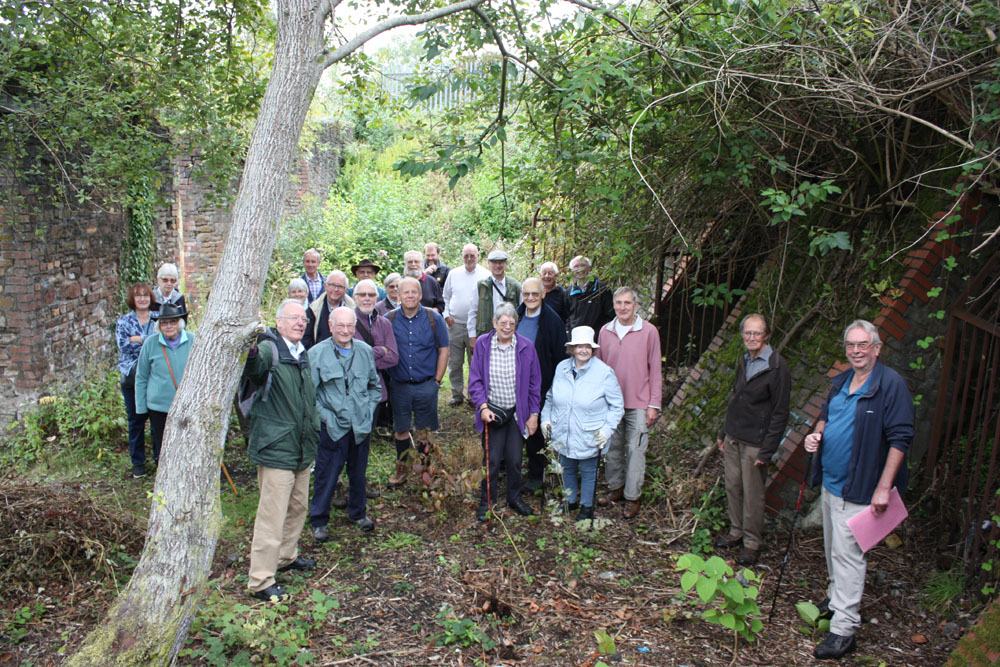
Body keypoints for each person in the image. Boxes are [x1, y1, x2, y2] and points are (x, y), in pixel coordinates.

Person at [803, 319, 913, 660]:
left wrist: (884, 487)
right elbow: (826, 416)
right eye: (851, 345)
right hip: (833, 483)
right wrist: (816, 435)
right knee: (833, 548)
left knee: (849, 557)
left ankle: (844, 630)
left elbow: (900, 439)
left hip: (864, 488)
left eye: (863, 344)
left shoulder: (891, 386)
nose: (856, 351)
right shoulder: (841, 382)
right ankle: (836, 599)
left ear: (877, 348)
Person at [243, 299, 319, 602]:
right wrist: (249, 347)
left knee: (298, 506)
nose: (301, 323)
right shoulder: (269, 348)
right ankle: (261, 579)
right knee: (272, 515)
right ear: (279, 321)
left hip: (301, 447)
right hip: (276, 447)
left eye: (304, 319)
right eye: (294, 318)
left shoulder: (301, 354)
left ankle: (286, 557)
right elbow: (254, 365)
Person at [714, 313, 791, 566]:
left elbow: (780, 413)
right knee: (732, 486)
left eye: (757, 333)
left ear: (766, 335)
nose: (751, 337)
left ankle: (751, 542)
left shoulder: (777, 366)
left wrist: (767, 450)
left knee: (753, 493)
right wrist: (724, 431)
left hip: (756, 442)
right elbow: (736, 397)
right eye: (747, 333)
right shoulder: (744, 360)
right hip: (735, 435)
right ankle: (736, 532)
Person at [309, 307, 382, 538]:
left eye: (349, 325)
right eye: (340, 325)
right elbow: (310, 395)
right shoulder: (317, 353)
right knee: (326, 474)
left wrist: (368, 412)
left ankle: (358, 513)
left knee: (358, 474)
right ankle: (319, 519)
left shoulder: (365, 351)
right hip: (332, 426)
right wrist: (326, 417)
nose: (345, 330)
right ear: (331, 326)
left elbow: (374, 386)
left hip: (360, 426)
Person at [541, 326, 624, 520]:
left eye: (588, 346)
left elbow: (617, 406)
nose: (583, 350)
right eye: (579, 346)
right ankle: (570, 501)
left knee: (588, 471)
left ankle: (587, 508)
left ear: (593, 349)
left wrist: (606, 430)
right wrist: (546, 420)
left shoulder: (604, 373)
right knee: (567, 466)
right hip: (564, 430)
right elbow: (551, 398)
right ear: (572, 349)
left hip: (590, 433)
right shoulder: (561, 368)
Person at [468, 302, 541, 521]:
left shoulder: (526, 346)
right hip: (493, 412)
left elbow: (534, 384)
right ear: (494, 323)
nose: (507, 327)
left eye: (511, 323)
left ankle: (514, 498)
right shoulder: (482, 344)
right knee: (491, 460)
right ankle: (487, 501)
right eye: (503, 323)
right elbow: (475, 381)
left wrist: (534, 414)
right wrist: (482, 407)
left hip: (518, 413)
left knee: (515, 459)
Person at [596, 287, 662, 519]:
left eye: (627, 303)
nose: (622, 307)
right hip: (611, 404)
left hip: (639, 403)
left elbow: (655, 369)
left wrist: (653, 404)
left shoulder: (649, 332)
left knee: (635, 450)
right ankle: (615, 488)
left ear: (636, 305)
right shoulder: (605, 331)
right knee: (612, 448)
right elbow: (598, 369)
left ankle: (632, 496)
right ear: (613, 304)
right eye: (618, 303)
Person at [386, 277, 449, 488]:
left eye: (414, 292)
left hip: (426, 385)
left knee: (425, 431)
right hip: (400, 385)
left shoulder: (434, 318)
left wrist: (437, 381)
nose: (410, 296)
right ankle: (402, 467)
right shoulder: (389, 319)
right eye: (406, 292)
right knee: (401, 428)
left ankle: (424, 470)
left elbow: (444, 349)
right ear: (398, 295)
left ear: (420, 295)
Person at [516, 277, 567, 491]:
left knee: (534, 430)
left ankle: (536, 474)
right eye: (526, 294)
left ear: (543, 294)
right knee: (514, 428)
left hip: (540, 383)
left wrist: (554, 388)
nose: (530, 298)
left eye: (534, 294)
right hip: (513, 382)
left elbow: (560, 358)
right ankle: (512, 469)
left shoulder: (553, 321)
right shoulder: (516, 315)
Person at [134, 302, 195, 466]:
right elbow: (141, 376)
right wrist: (141, 408)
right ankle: (164, 476)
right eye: (165, 323)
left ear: (180, 323)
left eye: (173, 322)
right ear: (159, 326)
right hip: (159, 406)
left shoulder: (192, 340)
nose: (169, 326)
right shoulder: (150, 344)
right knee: (162, 444)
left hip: (186, 404)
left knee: (186, 443)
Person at [442, 243, 490, 406]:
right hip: (455, 325)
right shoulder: (453, 274)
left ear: (478, 256)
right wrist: (447, 315)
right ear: (462, 256)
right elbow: (445, 297)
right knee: (455, 363)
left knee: (475, 363)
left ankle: (472, 396)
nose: (469, 259)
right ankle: (456, 395)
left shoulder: (486, 274)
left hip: (476, 329)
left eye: (472, 255)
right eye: (466, 255)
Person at [116, 282, 156, 478]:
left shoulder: (158, 319)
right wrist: (145, 339)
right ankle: (138, 462)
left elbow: (163, 342)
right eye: (138, 296)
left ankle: (160, 458)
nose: (142, 299)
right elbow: (123, 345)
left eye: (145, 295)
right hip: (131, 375)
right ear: (132, 299)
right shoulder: (124, 321)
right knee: (136, 419)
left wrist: (136, 338)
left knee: (158, 419)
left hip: (155, 374)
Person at [468, 249, 522, 346]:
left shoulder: (515, 286)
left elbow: (522, 312)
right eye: (494, 263)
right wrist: (472, 336)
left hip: (509, 335)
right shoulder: (481, 286)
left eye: (500, 262)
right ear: (489, 263)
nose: (497, 266)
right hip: (485, 334)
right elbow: (473, 312)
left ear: (505, 264)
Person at [303, 270, 356, 349]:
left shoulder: (354, 309)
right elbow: (306, 338)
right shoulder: (313, 310)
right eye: (332, 285)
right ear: (325, 286)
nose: (336, 289)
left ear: (346, 290)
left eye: (340, 286)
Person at [567, 255, 613, 332]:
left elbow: (610, 314)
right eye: (576, 266)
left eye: (583, 265)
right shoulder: (569, 292)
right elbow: (567, 317)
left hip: (597, 339)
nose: (580, 269)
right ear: (572, 270)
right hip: (575, 339)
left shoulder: (602, 289)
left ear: (589, 268)